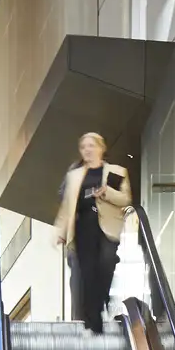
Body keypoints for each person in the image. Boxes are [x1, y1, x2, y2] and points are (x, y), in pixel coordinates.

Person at [54, 132, 133, 333]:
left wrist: (106, 192)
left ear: (101, 148)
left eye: (91, 145)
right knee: (85, 272)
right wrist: (61, 231)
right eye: (83, 146)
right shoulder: (74, 175)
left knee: (106, 264)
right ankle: (89, 320)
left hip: (106, 227)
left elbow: (126, 200)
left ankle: (101, 301)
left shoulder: (117, 171)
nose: (87, 150)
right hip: (82, 227)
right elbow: (67, 206)